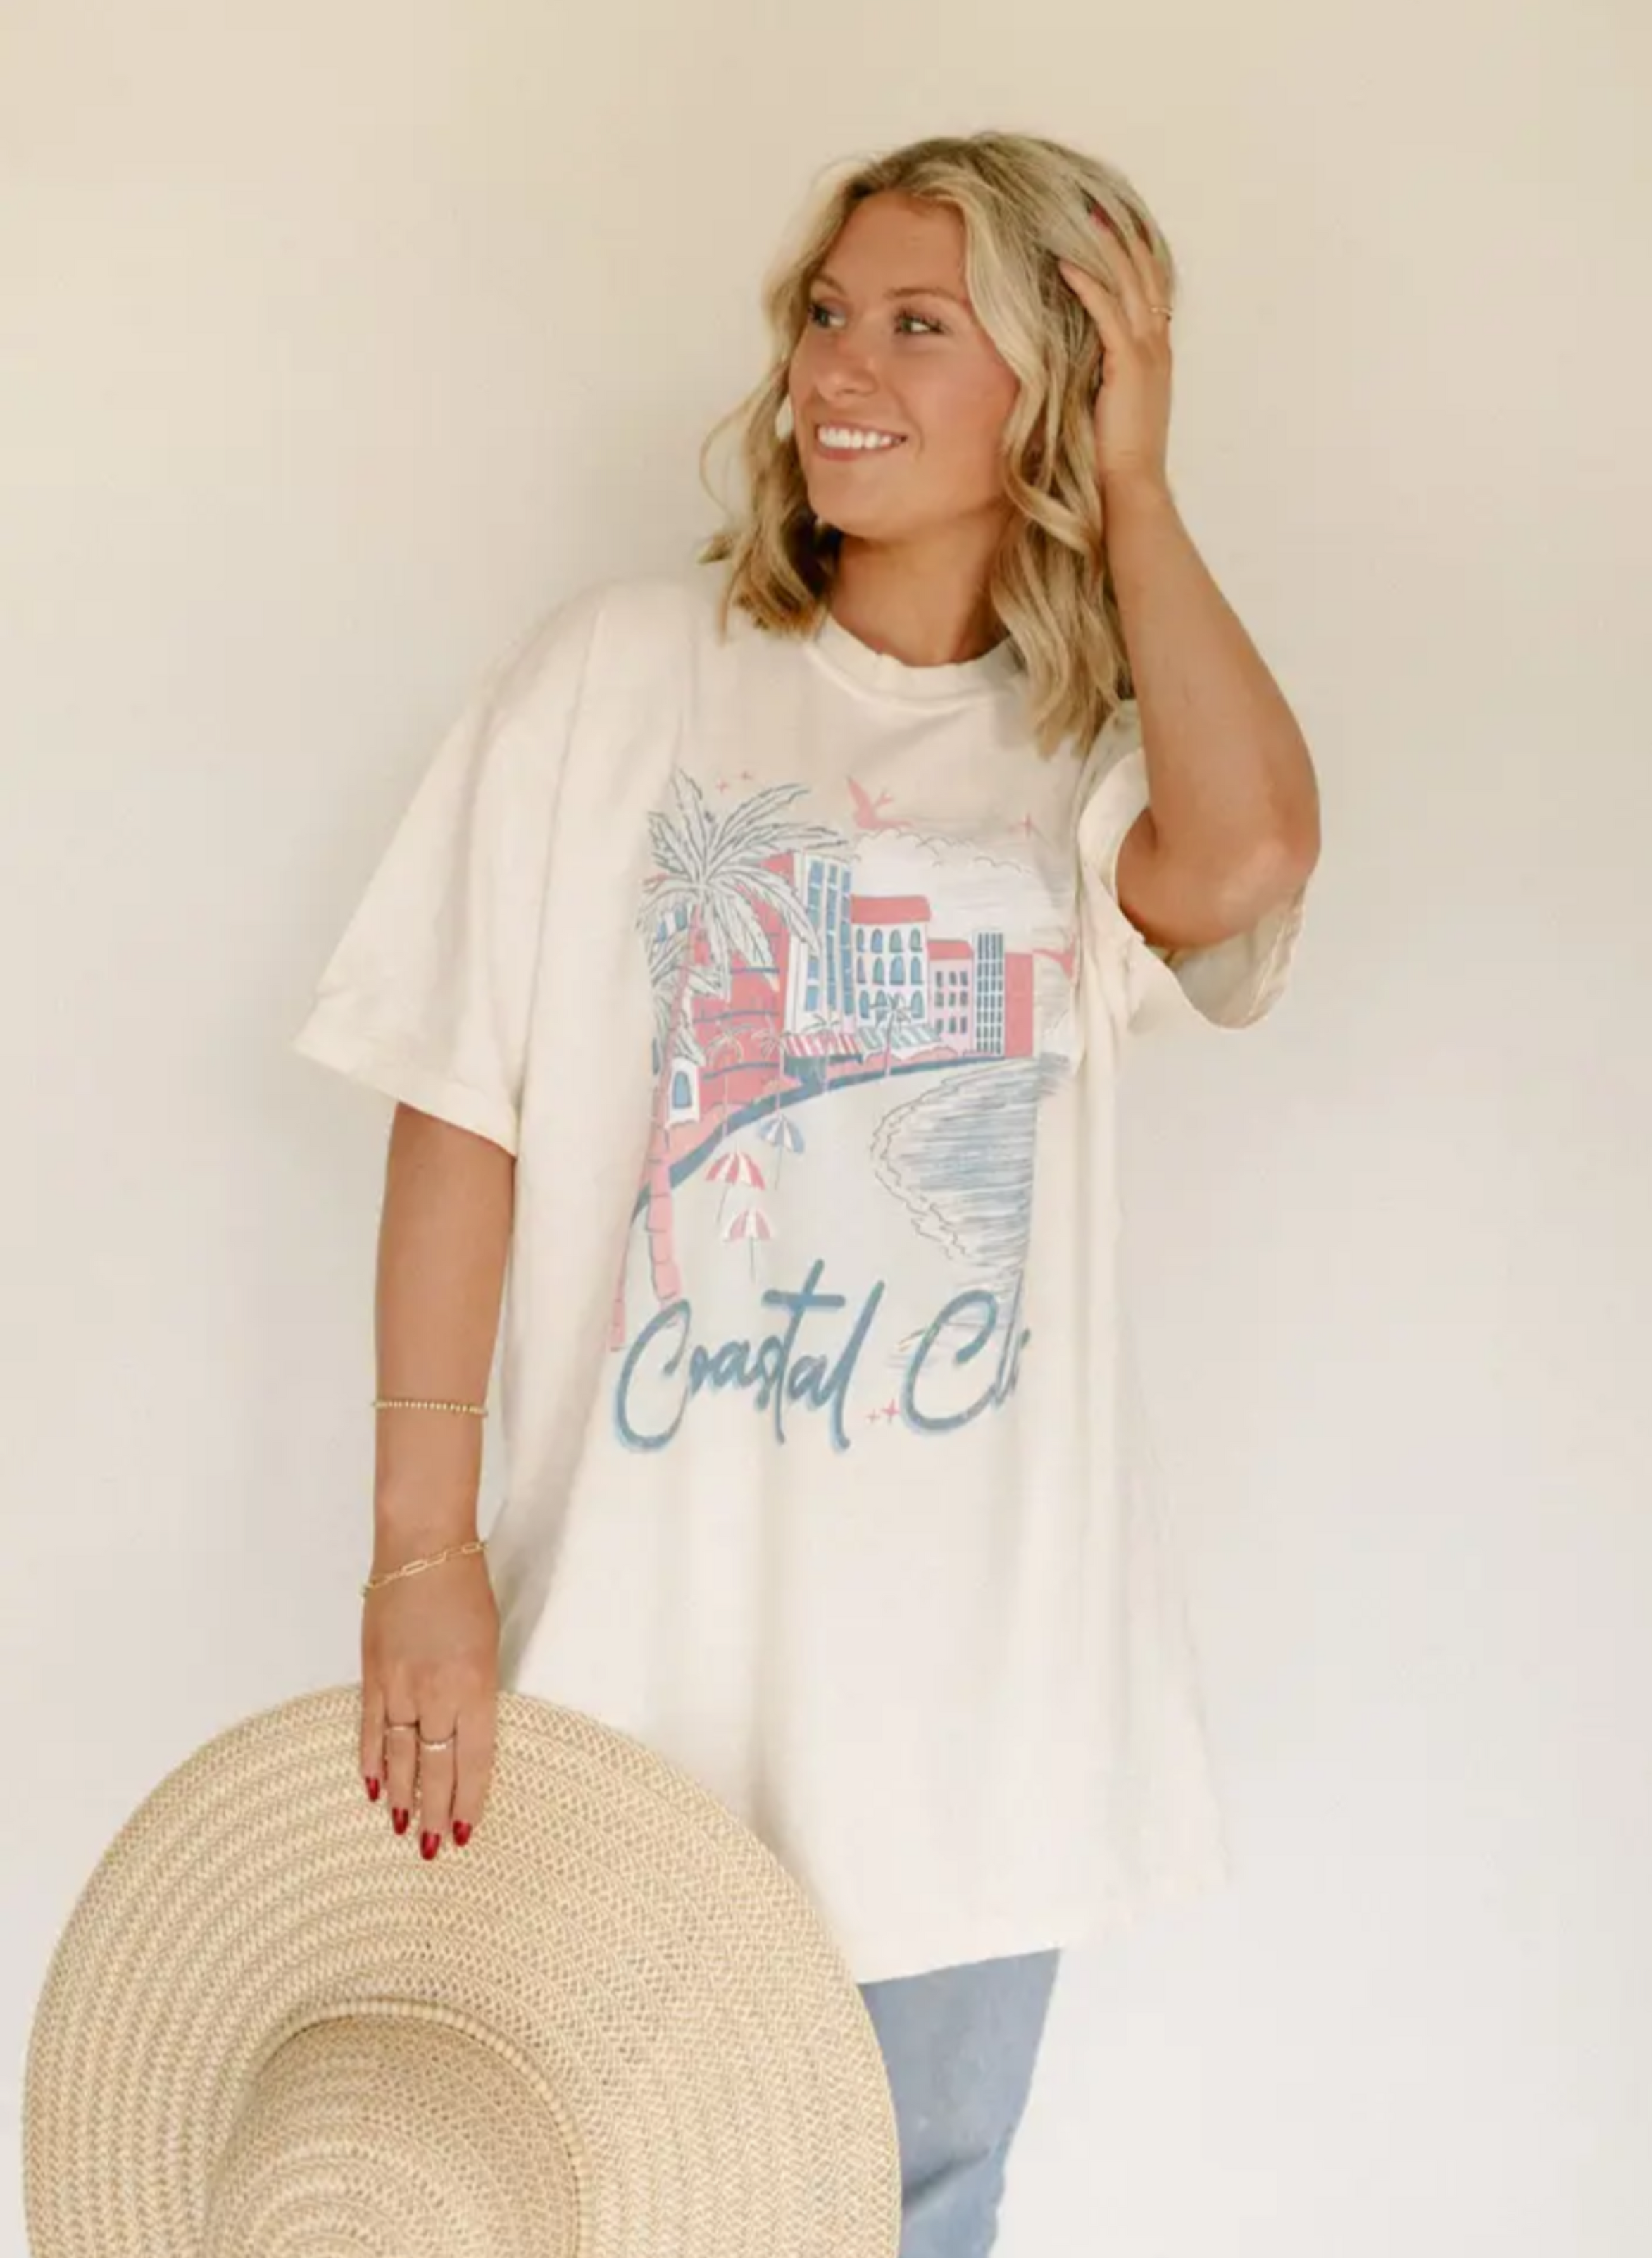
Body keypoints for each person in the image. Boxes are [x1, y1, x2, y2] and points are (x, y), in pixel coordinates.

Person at [292, 129, 1319, 2258]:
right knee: (556, 2201)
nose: (840, 366)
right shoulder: (615, 678)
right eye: (827, 315)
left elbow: (1243, 859)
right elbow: (458, 1107)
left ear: (1049, 385)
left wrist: (1140, 487)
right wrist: (421, 1550)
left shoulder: (1083, 761)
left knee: (907, 2217)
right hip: (632, 1653)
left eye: (921, 325)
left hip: (976, 1703)